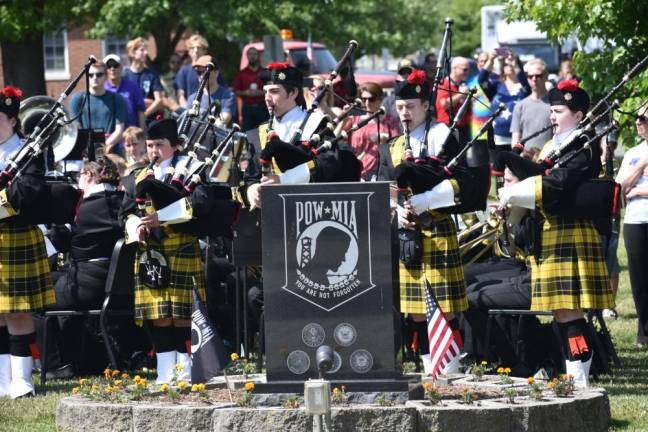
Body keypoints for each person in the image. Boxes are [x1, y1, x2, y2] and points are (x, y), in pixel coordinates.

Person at [497, 80, 614, 387]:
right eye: (551, 111)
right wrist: (513, 166)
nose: (552, 116)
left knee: (570, 311)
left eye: (559, 111)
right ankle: (572, 373)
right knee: (561, 312)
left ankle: (579, 378)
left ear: (578, 115)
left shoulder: (584, 144)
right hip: (551, 233)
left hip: (573, 234)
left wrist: (515, 193)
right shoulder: (553, 145)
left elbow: (558, 184)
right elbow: (542, 175)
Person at [377, 70, 467, 375]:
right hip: (409, 237)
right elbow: (384, 189)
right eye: (400, 107)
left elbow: (462, 185)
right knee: (416, 311)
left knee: (445, 306)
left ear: (426, 106)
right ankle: (430, 369)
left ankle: (451, 369)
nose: (404, 113)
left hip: (439, 229)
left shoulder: (445, 137)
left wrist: (424, 202)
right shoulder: (391, 147)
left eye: (411, 106)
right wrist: (398, 209)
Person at [119, 118, 206, 384]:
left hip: (180, 247)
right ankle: (164, 373)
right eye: (151, 145)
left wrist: (163, 218)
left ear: (175, 145)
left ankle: (186, 370)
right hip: (151, 253)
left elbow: (200, 203)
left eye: (160, 145)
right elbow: (125, 213)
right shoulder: (138, 175)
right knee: (159, 316)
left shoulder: (191, 169)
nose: (154, 151)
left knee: (181, 315)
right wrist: (137, 228)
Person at [35, 157, 124, 377]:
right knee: (54, 279)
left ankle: (56, 365)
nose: (77, 181)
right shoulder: (123, 201)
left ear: (89, 175)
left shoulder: (87, 208)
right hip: (117, 284)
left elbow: (67, 245)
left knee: (34, 297)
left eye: (80, 176)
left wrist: (56, 229)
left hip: (89, 286)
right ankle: (76, 360)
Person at [242, 62, 360, 209]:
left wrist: (284, 179)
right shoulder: (261, 131)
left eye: (274, 91)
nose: (267, 98)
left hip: (311, 207)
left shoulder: (316, 124)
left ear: (293, 93)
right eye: (265, 92)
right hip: (271, 212)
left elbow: (328, 162)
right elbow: (251, 176)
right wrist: (252, 190)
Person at [0, 86, 55, 398]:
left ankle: (22, 380)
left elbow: (27, 192)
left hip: (17, 235)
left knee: (18, 311)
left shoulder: (28, 152)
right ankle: (2, 379)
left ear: (11, 120)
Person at [615, 103, 648, 348]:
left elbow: (632, 188)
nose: (638, 122)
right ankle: (644, 332)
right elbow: (621, 187)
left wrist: (639, 189)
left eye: (643, 118)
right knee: (639, 279)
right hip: (636, 220)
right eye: (637, 118)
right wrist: (641, 165)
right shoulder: (633, 153)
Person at [69, 62, 128, 154]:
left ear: (106, 76)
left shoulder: (117, 99)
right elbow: (76, 127)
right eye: (90, 75)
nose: (94, 78)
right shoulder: (77, 99)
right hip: (85, 151)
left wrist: (100, 148)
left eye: (99, 74)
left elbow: (119, 130)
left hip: (111, 152)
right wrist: (91, 149)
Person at [344, 82, 399, 180]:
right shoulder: (354, 119)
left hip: (378, 173)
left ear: (380, 100)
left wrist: (385, 140)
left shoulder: (389, 122)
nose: (367, 103)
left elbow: (397, 147)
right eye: (364, 99)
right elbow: (338, 136)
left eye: (371, 99)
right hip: (355, 171)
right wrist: (344, 116)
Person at [478, 51, 531, 148]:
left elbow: (525, 83)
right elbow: (481, 80)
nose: (510, 66)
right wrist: (491, 60)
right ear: (503, 67)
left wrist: (514, 63)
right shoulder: (496, 86)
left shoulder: (524, 87)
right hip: (498, 138)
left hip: (520, 137)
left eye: (512, 63)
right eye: (506, 64)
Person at [510, 58, 552, 158]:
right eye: (530, 76)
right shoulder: (520, 106)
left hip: (549, 159)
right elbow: (515, 137)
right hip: (525, 159)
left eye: (538, 76)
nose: (534, 79)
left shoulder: (555, 104)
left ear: (546, 76)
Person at [185, 55, 235, 126]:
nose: (202, 76)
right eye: (199, 72)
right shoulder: (192, 98)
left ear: (216, 73)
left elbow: (223, 121)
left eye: (205, 72)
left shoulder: (228, 95)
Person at [123, 37, 164, 122]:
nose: (146, 53)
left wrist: (144, 115)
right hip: (129, 121)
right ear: (133, 53)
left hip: (150, 121)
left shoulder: (152, 75)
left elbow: (159, 101)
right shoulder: (124, 75)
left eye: (146, 50)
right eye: (142, 50)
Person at [103, 54, 146, 130]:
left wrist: (142, 132)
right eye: (109, 66)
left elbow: (141, 111)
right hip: (109, 134)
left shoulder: (132, 86)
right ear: (105, 70)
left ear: (121, 67)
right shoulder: (102, 88)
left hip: (131, 133)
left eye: (115, 65)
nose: (112, 69)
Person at [436, 57, 472, 145]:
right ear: (455, 69)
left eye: (468, 70)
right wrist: (461, 94)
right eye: (464, 70)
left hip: (464, 128)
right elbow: (444, 104)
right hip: (448, 128)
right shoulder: (444, 83)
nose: (467, 73)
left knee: (462, 157)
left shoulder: (464, 85)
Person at [233, 47, 268, 131]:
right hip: (247, 109)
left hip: (263, 108)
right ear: (247, 56)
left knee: (263, 133)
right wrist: (246, 93)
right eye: (250, 54)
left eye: (254, 54)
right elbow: (236, 91)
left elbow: (271, 89)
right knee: (248, 135)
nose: (252, 56)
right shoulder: (241, 74)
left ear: (258, 56)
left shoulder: (265, 72)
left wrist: (261, 92)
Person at [175, 34, 209, 108]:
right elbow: (180, 94)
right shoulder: (184, 71)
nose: (196, 50)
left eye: (199, 47)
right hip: (189, 110)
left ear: (204, 51)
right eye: (192, 48)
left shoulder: (211, 70)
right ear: (189, 51)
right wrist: (186, 110)